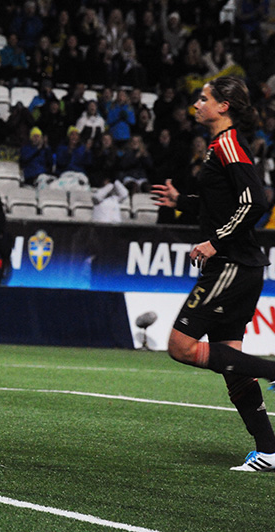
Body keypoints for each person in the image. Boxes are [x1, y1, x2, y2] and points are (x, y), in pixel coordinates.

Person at [151, 77, 275, 472]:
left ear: (224, 106)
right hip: (241, 267)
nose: (197, 104)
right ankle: (270, 451)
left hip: (232, 266)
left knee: (181, 346)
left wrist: (216, 242)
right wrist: (180, 202)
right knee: (231, 364)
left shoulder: (227, 144)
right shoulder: (218, 146)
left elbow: (256, 199)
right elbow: (217, 204)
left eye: (204, 98)